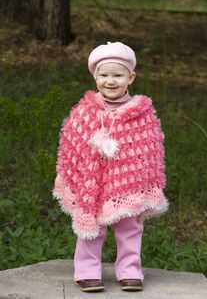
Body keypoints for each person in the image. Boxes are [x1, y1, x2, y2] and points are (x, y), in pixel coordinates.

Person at [53, 41, 168, 292]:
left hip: (128, 185)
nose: (111, 81)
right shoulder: (84, 112)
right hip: (93, 183)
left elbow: (149, 152)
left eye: (118, 75)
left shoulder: (141, 114)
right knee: (91, 227)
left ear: (131, 77)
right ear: (95, 76)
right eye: (104, 75)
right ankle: (86, 271)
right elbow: (73, 146)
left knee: (130, 227)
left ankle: (129, 271)